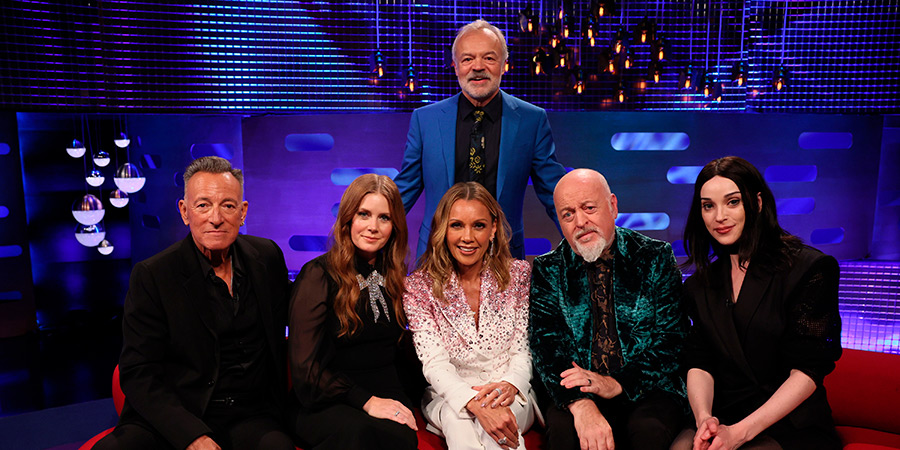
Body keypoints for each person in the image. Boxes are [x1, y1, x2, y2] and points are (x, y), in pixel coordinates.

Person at [94, 156, 294, 450]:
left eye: (227, 205)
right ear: (185, 212)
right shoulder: (154, 275)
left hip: (249, 413)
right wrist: (190, 435)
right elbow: (138, 371)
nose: (216, 218)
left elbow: (303, 307)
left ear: (242, 212)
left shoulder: (266, 257)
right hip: (177, 410)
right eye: (203, 205)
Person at [671, 156, 842, 450]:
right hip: (725, 413)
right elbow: (700, 362)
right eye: (708, 205)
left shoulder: (809, 268)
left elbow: (809, 370)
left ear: (758, 202)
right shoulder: (700, 284)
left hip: (789, 421)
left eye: (732, 202)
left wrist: (741, 433)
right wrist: (704, 419)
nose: (719, 216)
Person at [529, 168, 687, 450]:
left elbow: (672, 339)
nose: (580, 222)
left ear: (613, 206)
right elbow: (547, 347)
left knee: (648, 429)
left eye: (589, 208)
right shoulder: (548, 269)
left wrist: (617, 384)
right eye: (568, 214)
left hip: (647, 389)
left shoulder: (654, 256)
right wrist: (580, 403)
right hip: (577, 390)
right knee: (565, 430)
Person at [394, 19, 567, 260]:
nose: (478, 67)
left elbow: (555, 195)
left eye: (489, 58)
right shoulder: (425, 120)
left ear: (504, 65)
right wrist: (361, 239)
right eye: (467, 59)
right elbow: (404, 191)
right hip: (437, 259)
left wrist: (587, 243)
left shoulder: (532, 120)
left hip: (504, 259)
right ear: (455, 66)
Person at [404, 182, 540, 450]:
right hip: (450, 396)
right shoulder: (419, 287)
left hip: (510, 390)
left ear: (493, 229)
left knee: (501, 423)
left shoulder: (519, 275)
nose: (468, 237)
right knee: (460, 420)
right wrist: (474, 403)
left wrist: (508, 387)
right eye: (457, 225)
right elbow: (434, 363)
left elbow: (523, 350)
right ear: (443, 230)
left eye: (478, 225)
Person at [287, 174, 418, 450]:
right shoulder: (318, 275)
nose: (373, 227)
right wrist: (366, 401)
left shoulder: (395, 275)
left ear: (395, 226)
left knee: (400, 438)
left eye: (384, 218)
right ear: (348, 219)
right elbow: (305, 372)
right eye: (364, 214)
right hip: (325, 399)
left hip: (386, 393)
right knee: (358, 436)